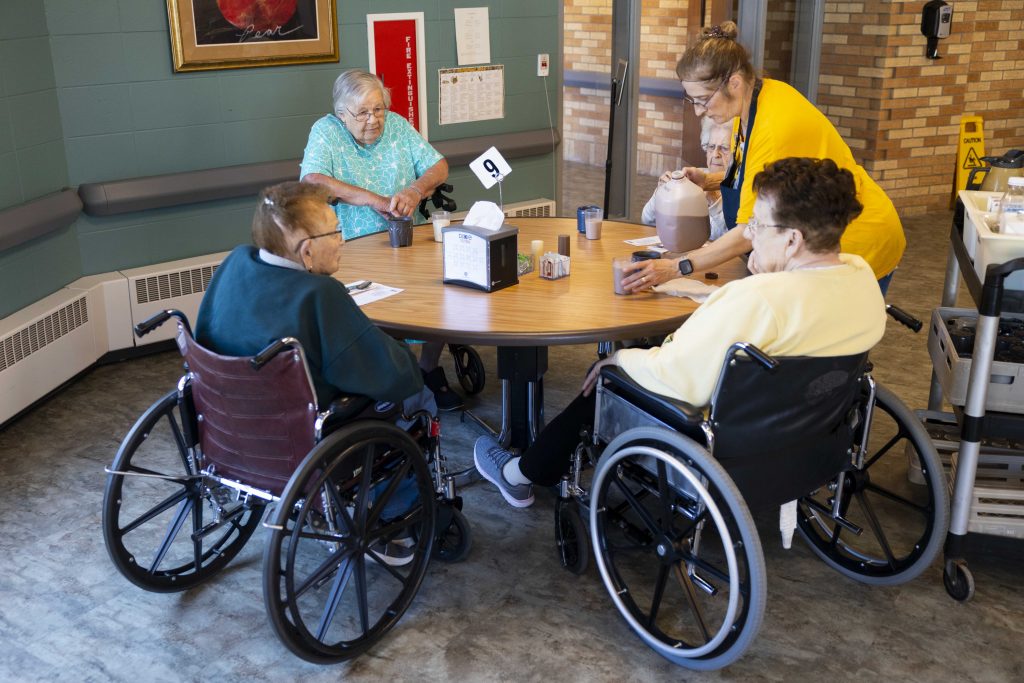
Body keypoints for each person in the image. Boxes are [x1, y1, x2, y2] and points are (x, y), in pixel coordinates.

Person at [474, 157, 887, 507]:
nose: (750, 237)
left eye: (757, 227)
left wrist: (619, 359)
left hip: (726, 438)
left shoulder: (756, 298)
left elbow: (678, 375)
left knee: (606, 378)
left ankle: (519, 472)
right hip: (807, 433)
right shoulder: (861, 277)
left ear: (793, 240)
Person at [196, 181, 429, 564]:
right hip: (302, 436)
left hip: (226, 426)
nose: (341, 240)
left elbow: (206, 335)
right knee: (420, 397)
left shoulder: (235, 263)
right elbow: (391, 375)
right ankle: (394, 514)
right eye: (336, 231)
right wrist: (408, 356)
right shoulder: (319, 295)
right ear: (306, 250)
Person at [621, 22, 905, 296]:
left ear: (733, 82)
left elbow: (748, 230)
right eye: (692, 100)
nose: (698, 112)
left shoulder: (773, 126)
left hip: (856, 236)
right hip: (810, 232)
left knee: (834, 340)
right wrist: (710, 179)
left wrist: (675, 267)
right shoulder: (750, 103)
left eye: (703, 100)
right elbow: (755, 174)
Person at [300, 68, 461, 410]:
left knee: (446, 295)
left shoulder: (398, 126)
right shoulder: (326, 132)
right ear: (341, 114)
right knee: (377, 319)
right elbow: (313, 180)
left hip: (405, 240)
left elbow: (439, 166)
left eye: (379, 109)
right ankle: (387, 382)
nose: (373, 119)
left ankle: (428, 367)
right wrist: (373, 199)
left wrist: (417, 189)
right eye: (362, 113)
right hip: (350, 248)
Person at [641, 116, 735, 242]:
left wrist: (711, 197)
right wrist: (661, 194)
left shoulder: (739, 187)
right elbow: (647, 220)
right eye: (711, 147)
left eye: (724, 148)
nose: (715, 154)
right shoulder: (693, 176)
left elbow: (732, 236)